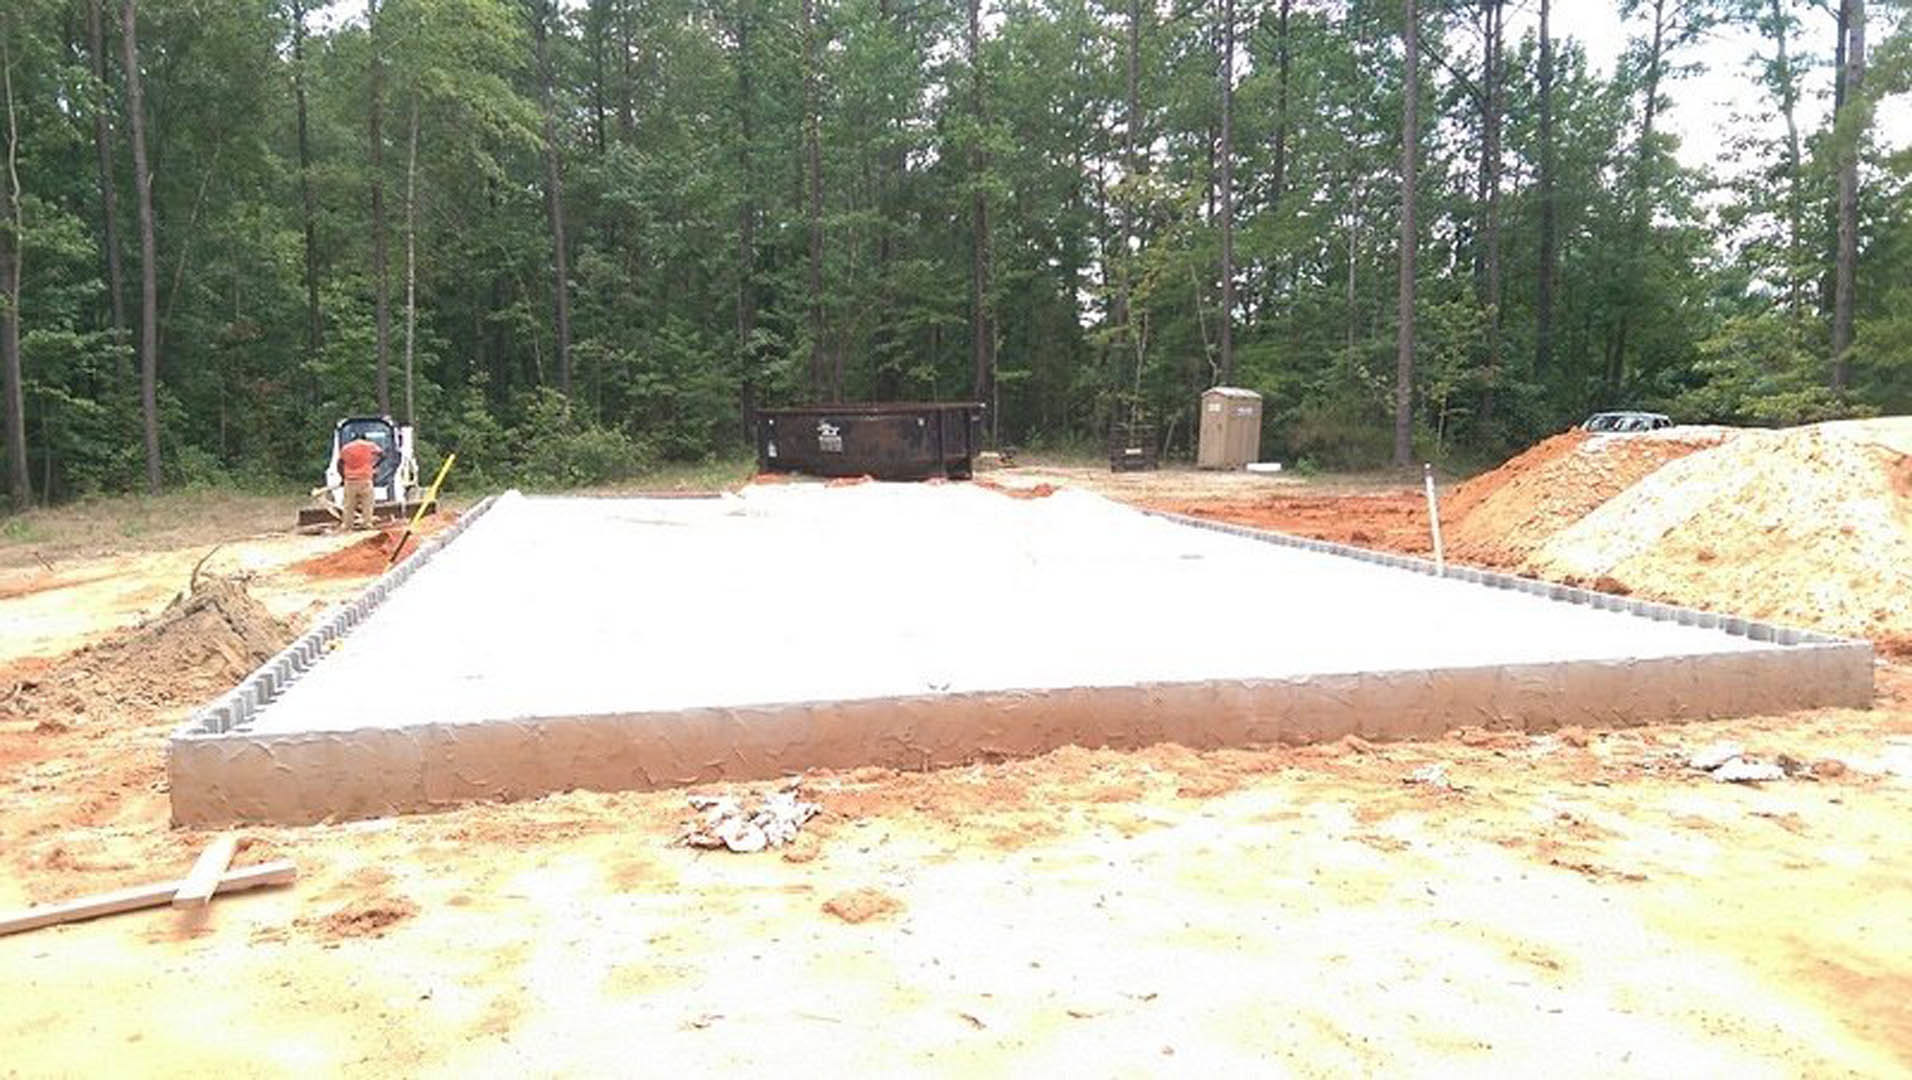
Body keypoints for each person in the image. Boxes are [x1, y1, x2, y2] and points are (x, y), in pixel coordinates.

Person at [337, 434, 383, 531]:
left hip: (350, 481)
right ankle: (367, 523)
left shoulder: (346, 448)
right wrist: (374, 466)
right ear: (364, 439)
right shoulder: (369, 445)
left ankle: (347, 525)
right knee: (367, 503)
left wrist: (343, 477)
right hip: (365, 479)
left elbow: (340, 463)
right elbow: (382, 454)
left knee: (349, 505)